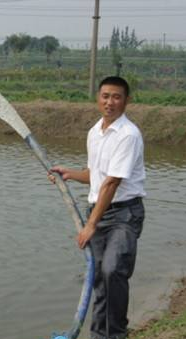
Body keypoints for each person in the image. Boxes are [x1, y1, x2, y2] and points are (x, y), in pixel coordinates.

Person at [48, 76, 146, 339]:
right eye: (105, 96)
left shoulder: (128, 135)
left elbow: (112, 182)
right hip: (101, 211)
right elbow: (96, 175)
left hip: (124, 213)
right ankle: (98, 335)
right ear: (97, 98)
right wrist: (68, 173)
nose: (110, 102)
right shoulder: (95, 132)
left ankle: (116, 334)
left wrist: (91, 225)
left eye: (116, 97)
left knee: (113, 269)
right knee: (99, 278)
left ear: (126, 100)